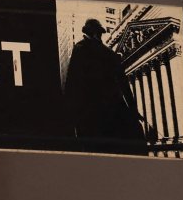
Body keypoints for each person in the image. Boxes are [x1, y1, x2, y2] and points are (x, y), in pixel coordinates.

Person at [63, 18, 148, 153]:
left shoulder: (80, 49)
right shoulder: (111, 54)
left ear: (88, 33)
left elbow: (72, 83)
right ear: (98, 33)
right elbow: (124, 85)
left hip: (90, 115)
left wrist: (71, 114)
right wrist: (133, 110)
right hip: (113, 111)